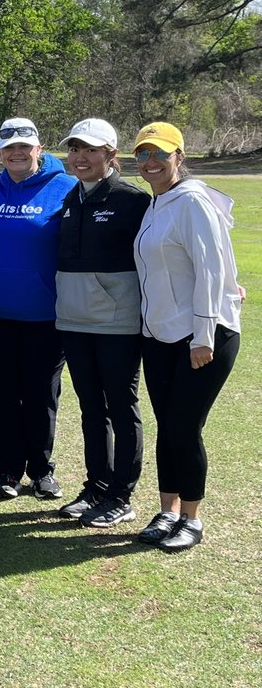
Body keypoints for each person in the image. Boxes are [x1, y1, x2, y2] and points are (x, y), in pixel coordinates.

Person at [132, 122, 242, 552]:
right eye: (143, 154)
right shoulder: (156, 203)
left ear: (179, 156)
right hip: (160, 334)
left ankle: (192, 519)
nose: (152, 162)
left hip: (202, 336)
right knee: (168, 427)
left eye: (161, 153)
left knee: (184, 426)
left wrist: (203, 335)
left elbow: (211, 270)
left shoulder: (192, 201)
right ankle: (168, 511)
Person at [0, 118, 76, 501]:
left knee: (40, 394)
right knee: (1, 394)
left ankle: (41, 471)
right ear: (0, 152)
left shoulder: (66, 187)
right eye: (9, 147)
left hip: (45, 314)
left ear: (39, 149)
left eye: (24, 146)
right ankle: (6, 471)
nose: (17, 152)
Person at [54, 119, 150, 527]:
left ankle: (120, 496)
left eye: (91, 150)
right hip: (74, 321)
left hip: (117, 324)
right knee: (92, 409)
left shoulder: (132, 200)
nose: (81, 157)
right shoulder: (70, 198)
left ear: (111, 154)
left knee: (121, 408)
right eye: (75, 149)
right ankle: (96, 486)